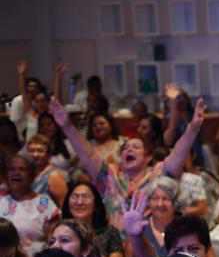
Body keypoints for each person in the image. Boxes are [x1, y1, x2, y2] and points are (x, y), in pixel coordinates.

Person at [51, 95, 205, 227]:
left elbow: (177, 155)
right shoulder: (110, 177)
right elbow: (89, 156)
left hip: (149, 244)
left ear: (147, 157)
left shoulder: (157, 175)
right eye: (125, 148)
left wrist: (192, 129)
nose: (129, 150)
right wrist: (67, 127)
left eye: (136, 147)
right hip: (116, 245)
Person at [0, 154, 60, 256]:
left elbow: (53, 242)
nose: (16, 173)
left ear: (32, 175)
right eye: (11, 169)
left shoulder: (45, 203)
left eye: (22, 169)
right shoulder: (1, 199)